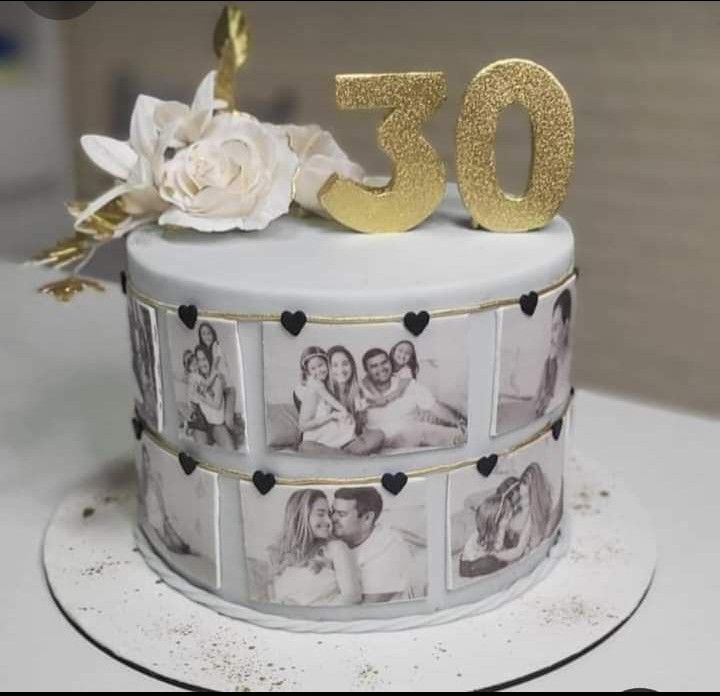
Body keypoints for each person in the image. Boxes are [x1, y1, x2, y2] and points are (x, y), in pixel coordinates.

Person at [271, 489, 362, 606]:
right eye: (320, 514)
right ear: (301, 516)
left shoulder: (336, 548)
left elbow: (352, 597)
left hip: (322, 621)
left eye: (328, 514)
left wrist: (305, 612)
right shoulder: (281, 553)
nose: (329, 521)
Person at [361, 348, 464, 450]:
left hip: (415, 436)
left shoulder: (409, 385)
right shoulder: (360, 391)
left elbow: (436, 407)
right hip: (380, 442)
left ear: (390, 363)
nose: (381, 368)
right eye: (374, 366)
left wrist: (459, 423)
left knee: (455, 435)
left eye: (384, 363)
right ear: (367, 371)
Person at [331, 487, 413, 603]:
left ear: (367, 518)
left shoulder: (390, 549)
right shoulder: (336, 538)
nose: (333, 518)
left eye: (341, 514)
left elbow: (367, 608)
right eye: (332, 511)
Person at [293, 346, 356, 452]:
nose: (318, 371)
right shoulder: (313, 387)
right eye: (313, 368)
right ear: (307, 371)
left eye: (321, 365)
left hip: (328, 436)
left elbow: (329, 398)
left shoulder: (325, 384)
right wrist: (332, 416)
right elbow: (303, 426)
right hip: (315, 439)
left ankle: (344, 453)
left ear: (327, 364)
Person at [326, 345, 385, 455]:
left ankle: (345, 455)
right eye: (334, 365)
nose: (341, 369)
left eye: (345, 364)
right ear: (327, 369)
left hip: (349, 443)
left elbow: (357, 430)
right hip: (328, 442)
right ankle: (343, 456)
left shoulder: (356, 392)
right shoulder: (323, 392)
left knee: (379, 435)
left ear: (352, 366)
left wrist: (361, 414)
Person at [137, 444, 190, 555]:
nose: (147, 463)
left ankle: (178, 545)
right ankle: (172, 546)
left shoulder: (153, 475)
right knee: (160, 528)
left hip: (157, 504)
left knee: (166, 524)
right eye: (145, 460)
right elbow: (146, 493)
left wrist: (162, 506)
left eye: (148, 460)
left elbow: (158, 493)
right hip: (152, 505)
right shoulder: (147, 477)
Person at [535, 288, 572, 417]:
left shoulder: (569, 366)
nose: (552, 336)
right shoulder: (552, 363)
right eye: (552, 328)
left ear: (567, 325)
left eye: (556, 327)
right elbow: (537, 402)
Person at [192, 346, 235, 449]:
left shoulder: (217, 379)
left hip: (216, 425)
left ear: (209, 359)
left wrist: (200, 396)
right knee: (200, 452)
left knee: (230, 449)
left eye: (204, 359)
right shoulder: (197, 378)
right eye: (198, 360)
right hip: (201, 423)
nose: (202, 363)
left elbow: (216, 405)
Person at [197, 322, 237, 431]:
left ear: (213, 334)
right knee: (220, 419)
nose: (206, 336)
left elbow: (214, 369)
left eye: (209, 333)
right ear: (200, 337)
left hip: (228, 389)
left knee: (228, 422)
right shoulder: (206, 352)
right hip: (218, 388)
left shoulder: (216, 346)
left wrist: (205, 385)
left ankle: (240, 433)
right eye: (203, 334)